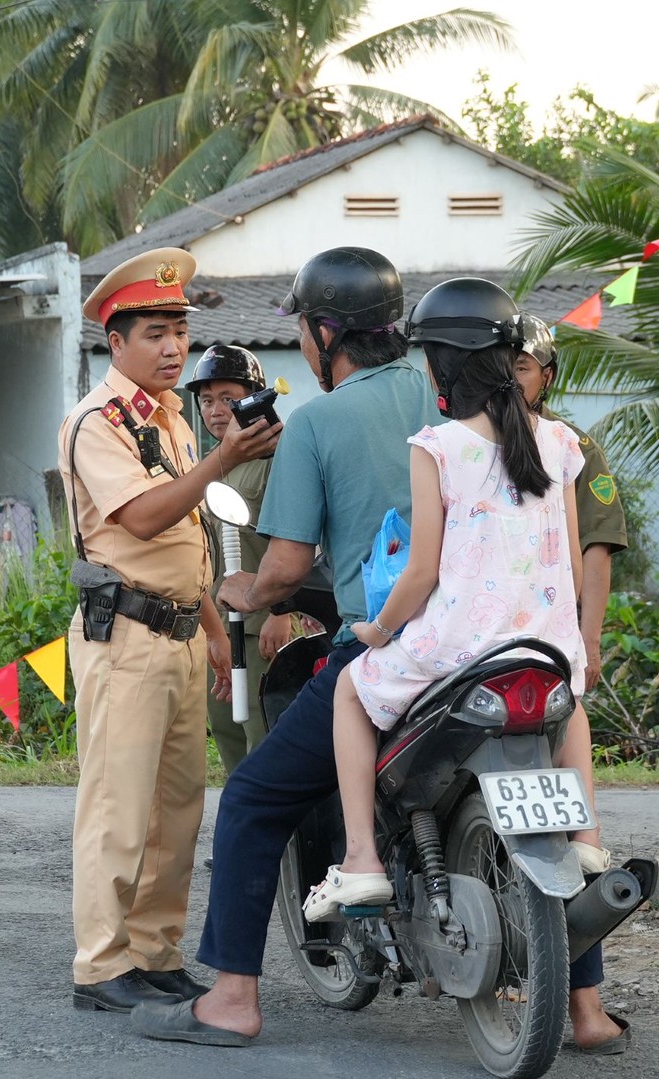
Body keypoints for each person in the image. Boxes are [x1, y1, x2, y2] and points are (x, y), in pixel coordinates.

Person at [134, 259, 626, 1055]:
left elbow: (290, 567)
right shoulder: (512, 418)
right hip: (532, 650)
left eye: (304, 329)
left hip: (414, 647)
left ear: (326, 333)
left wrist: (250, 593)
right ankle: (587, 1007)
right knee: (548, 788)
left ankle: (231, 997)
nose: (303, 344)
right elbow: (565, 555)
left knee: (254, 795)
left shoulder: (330, 423)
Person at [300, 280, 608, 921]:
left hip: (461, 650)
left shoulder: (437, 446)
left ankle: (361, 860)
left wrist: (378, 630)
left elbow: (420, 574)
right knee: (570, 697)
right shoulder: (561, 442)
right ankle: (587, 836)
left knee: (350, 691)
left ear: (441, 365)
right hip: (547, 646)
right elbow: (574, 566)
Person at [59, 247, 282, 1014]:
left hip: (183, 630)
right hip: (123, 632)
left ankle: (154, 952)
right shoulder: (97, 423)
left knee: (177, 809)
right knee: (118, 806)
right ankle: (100, 964)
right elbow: (145, 517)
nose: (172, 348)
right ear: (116, 341)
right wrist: (224, 458)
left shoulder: (171, 420)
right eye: (155, 333)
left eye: (179, 331)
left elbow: (191, 536)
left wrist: (214, 628)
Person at [186, 345, 290, 775]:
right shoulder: (210, 465)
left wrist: (282, 613)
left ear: (254, 399)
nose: (215, 410)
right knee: (226, 733)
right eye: (206, 400)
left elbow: (298, 539)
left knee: (262, 738)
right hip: (217, 624)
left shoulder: (277, 459)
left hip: (262, 626)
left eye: (228, 398)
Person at [513, 313, 630, 691]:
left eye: (521, 368)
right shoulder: (467, 441)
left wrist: (589, 641)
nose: (509, 378)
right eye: (500, 365)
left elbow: (598, 544)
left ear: (547, 376)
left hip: (548, 627)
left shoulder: (574, 448)